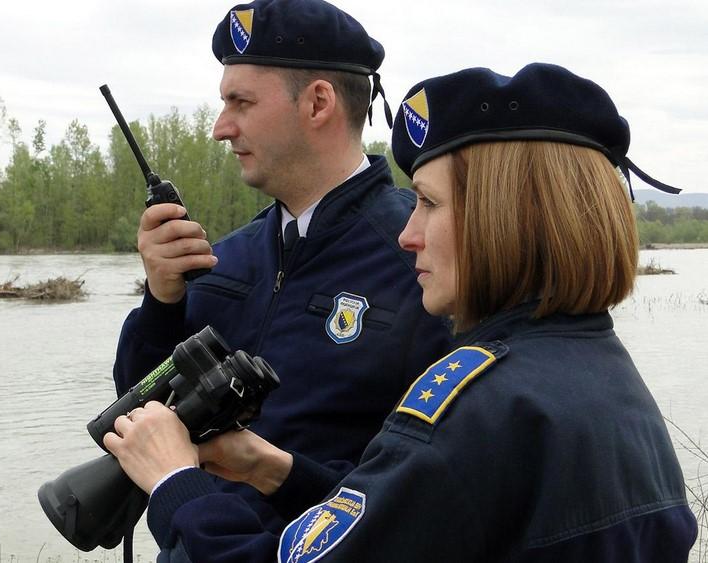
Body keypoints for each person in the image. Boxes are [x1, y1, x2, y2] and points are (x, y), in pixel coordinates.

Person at [105, 63, 698, 562]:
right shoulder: (600, 373)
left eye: (429, 203)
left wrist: (176, 485)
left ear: (507, 220)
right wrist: (275, 470)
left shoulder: (481, 406)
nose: (407, 235)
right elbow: (408, 521)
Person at [112, 0, 450, 531]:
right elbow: (138, 421)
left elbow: (436, 491)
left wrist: (280, 475)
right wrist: (161, 299)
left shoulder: (425, 260)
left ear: (318, 103)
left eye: (241, 102)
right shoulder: (225, 257)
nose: (221, 128)